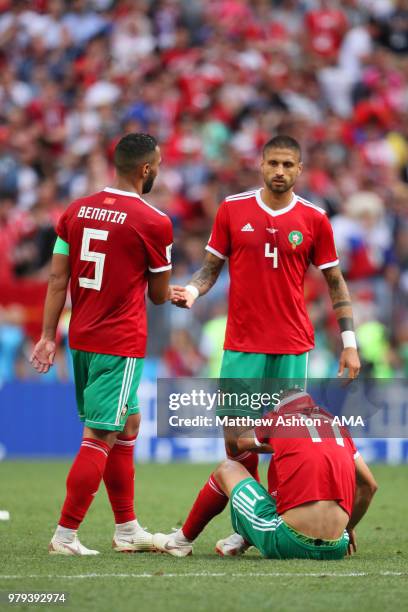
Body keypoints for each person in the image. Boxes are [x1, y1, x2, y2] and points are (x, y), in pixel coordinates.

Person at [159, 134, 361, 556]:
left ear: (300, 169)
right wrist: (193, 293)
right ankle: (250, 522)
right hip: (242, 345)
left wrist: (349, 341)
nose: (280, 172)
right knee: (235, 443)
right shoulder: (233, 209)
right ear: (261, 165)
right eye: (274, 164)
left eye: (289, 165)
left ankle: (258, 526)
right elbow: (210, 269)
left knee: (288, 443)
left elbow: (335, 281)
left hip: (291, 347)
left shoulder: (314, 218)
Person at [30, 133, 173, 556]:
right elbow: (160, 295)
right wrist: (176, 290)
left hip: (83, 338)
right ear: (146, 169)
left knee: (127, 426)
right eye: (158, 165)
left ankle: (127, 530)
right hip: (119, 341)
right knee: (100, 435)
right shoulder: (154, 220)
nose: (159, 170)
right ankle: (65, 535)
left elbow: (58, 279)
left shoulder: (75, 212)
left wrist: (46, 336)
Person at [154, 391, 377, 560]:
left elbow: (240, 443)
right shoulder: (338, 428)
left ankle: (182, 541)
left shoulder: (279, 420)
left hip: (289, 540)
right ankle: (241, 540)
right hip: (337, 546)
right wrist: (349, 527)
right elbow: (369, 486)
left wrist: (273, 440)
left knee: (227, 469)